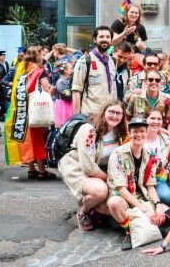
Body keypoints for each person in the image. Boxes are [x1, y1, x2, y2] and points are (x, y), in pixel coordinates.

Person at [59, 100, 128, 231]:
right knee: (100, 191)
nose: (114, 116)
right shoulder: (89, 130)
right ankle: (83, 211)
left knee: (106, 207)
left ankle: (92, 205)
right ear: (103, 113)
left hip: (99, 170)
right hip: (78, 167)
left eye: (118, 113)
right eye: (111, 112)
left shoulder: (118, 131)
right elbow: (88, 168)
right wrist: (111, 180)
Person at [107, 117, 168, 251]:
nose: (139, 134)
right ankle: (129, 232)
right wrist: (144, 209)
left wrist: (158, 205)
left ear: (147, 133)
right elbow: (121, 189)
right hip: (124, 198)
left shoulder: (151, 155)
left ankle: (150, 224)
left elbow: (150, 186)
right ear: (129, 133)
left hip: (142, 196)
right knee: (114, 203)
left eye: (142, 131)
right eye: (135, 131)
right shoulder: (117, 154)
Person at [11, 46, 56, 180]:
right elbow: (46, 88)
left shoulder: (20, 69)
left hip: (21, 110)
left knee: (27, 139)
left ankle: (31, 169)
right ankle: (42, 170)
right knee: (37, 139)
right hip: (36, 109)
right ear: (38, 56)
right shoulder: (39, 70)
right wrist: (52, 89)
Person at [72, 26, 117, 116]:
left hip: (109, 115)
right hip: (91, 115)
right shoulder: (84, 61)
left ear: (111, 40)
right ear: (95, 39)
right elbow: (76, 91)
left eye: (108, 37)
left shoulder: (112, 61)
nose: (105, 39)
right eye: (101, 37)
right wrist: (76, 117)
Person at [143, 108, 170, 209]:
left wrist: (167, 175)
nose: (156, 122)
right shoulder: (138, 136)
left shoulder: (167, 138)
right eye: (152, 118)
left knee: (166, 197)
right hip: (140, 178)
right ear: (145, 120)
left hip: (159, 178)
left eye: (159, 119)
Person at [53, 61, 74, 128]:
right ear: (65, 71)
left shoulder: (68, 80)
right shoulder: (61, 81)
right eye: (71, 68)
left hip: (69, 105)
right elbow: (67, 95)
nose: (73, 69)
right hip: (64, 106)